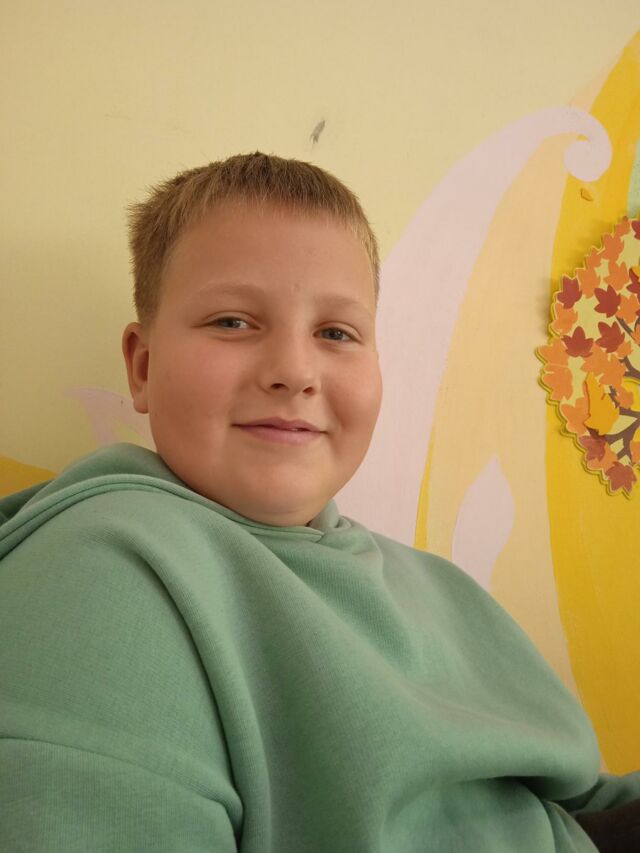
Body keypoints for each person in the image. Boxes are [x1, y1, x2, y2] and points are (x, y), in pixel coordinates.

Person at [0, 152, 638, 852]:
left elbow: (581, 796)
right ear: (143, 366)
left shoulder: (444, 591)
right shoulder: (101, 575)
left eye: (336, 333)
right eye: (233, 322)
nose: (295, 371)